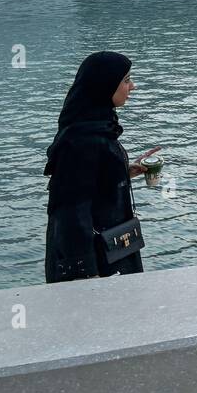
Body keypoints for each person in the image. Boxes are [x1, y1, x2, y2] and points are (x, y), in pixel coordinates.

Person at [43, 51, 156, 283]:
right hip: (95, 264)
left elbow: (87, 184)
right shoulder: (81, 141)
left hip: (111, 252)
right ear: (105, 86)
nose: (132, 86)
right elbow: (70, 211)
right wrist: (87, 276)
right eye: (125, 80)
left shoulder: (96, 126)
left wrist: (123, 173)